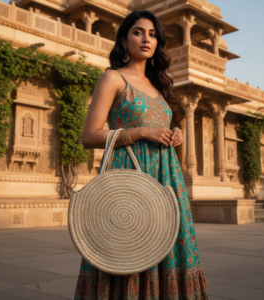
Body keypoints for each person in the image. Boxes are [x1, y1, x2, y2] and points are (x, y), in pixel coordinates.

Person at [74, 9, 211, 300]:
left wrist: (175, 133)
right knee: (126, 244)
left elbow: (159, 124)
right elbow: (89, 136)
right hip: (130, 173)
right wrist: (141, 132)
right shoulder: (113, 78)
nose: (146, 39)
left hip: (166, 176)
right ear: (124, 40)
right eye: (138, 32)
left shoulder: (158, 84)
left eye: (152, 34)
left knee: (169, 244)